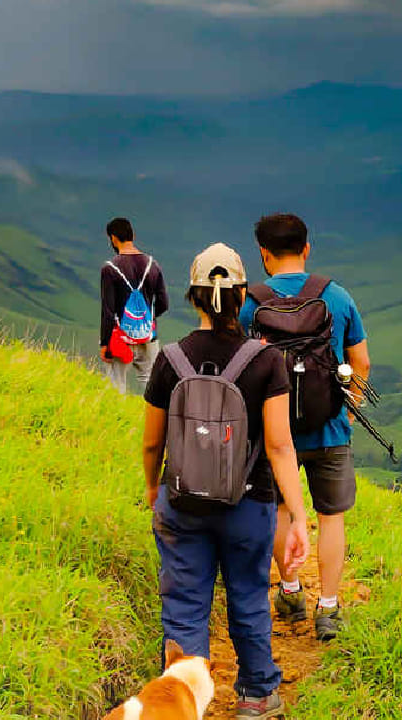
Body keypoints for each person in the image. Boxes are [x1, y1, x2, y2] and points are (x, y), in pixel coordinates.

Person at [142, 243, 310, 719]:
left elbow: (153, 444)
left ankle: (180, 705)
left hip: (182, 502)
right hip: (249, 504)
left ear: (194, 297)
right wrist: (297, 516)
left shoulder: (169, 360)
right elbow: (279, 446)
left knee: (184, 607)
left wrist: (154, 489)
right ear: (242, 296)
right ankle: (257, 696)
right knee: (249, 600)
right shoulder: (265, 360)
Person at [240, 213, 370, 641]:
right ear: (307, 248)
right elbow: (361, 361)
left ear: (263, 253)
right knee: (330, 518)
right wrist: (348, 408)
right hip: (330, 428)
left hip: (273, 435)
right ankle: (329, 608)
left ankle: (291, 592)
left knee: (280, 511)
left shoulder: (250, 304)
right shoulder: (336, 296)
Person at [101, 217, 168, 394]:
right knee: (151, 386)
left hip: (120, 338)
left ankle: (118, 421)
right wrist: (146, 320)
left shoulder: (109, 268)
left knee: (117, 386)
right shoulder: (153, 265)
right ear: (133, 236)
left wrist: (104, 343)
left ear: (113, 238)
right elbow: (163, 303)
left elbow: (108, 311)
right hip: (149, 336)